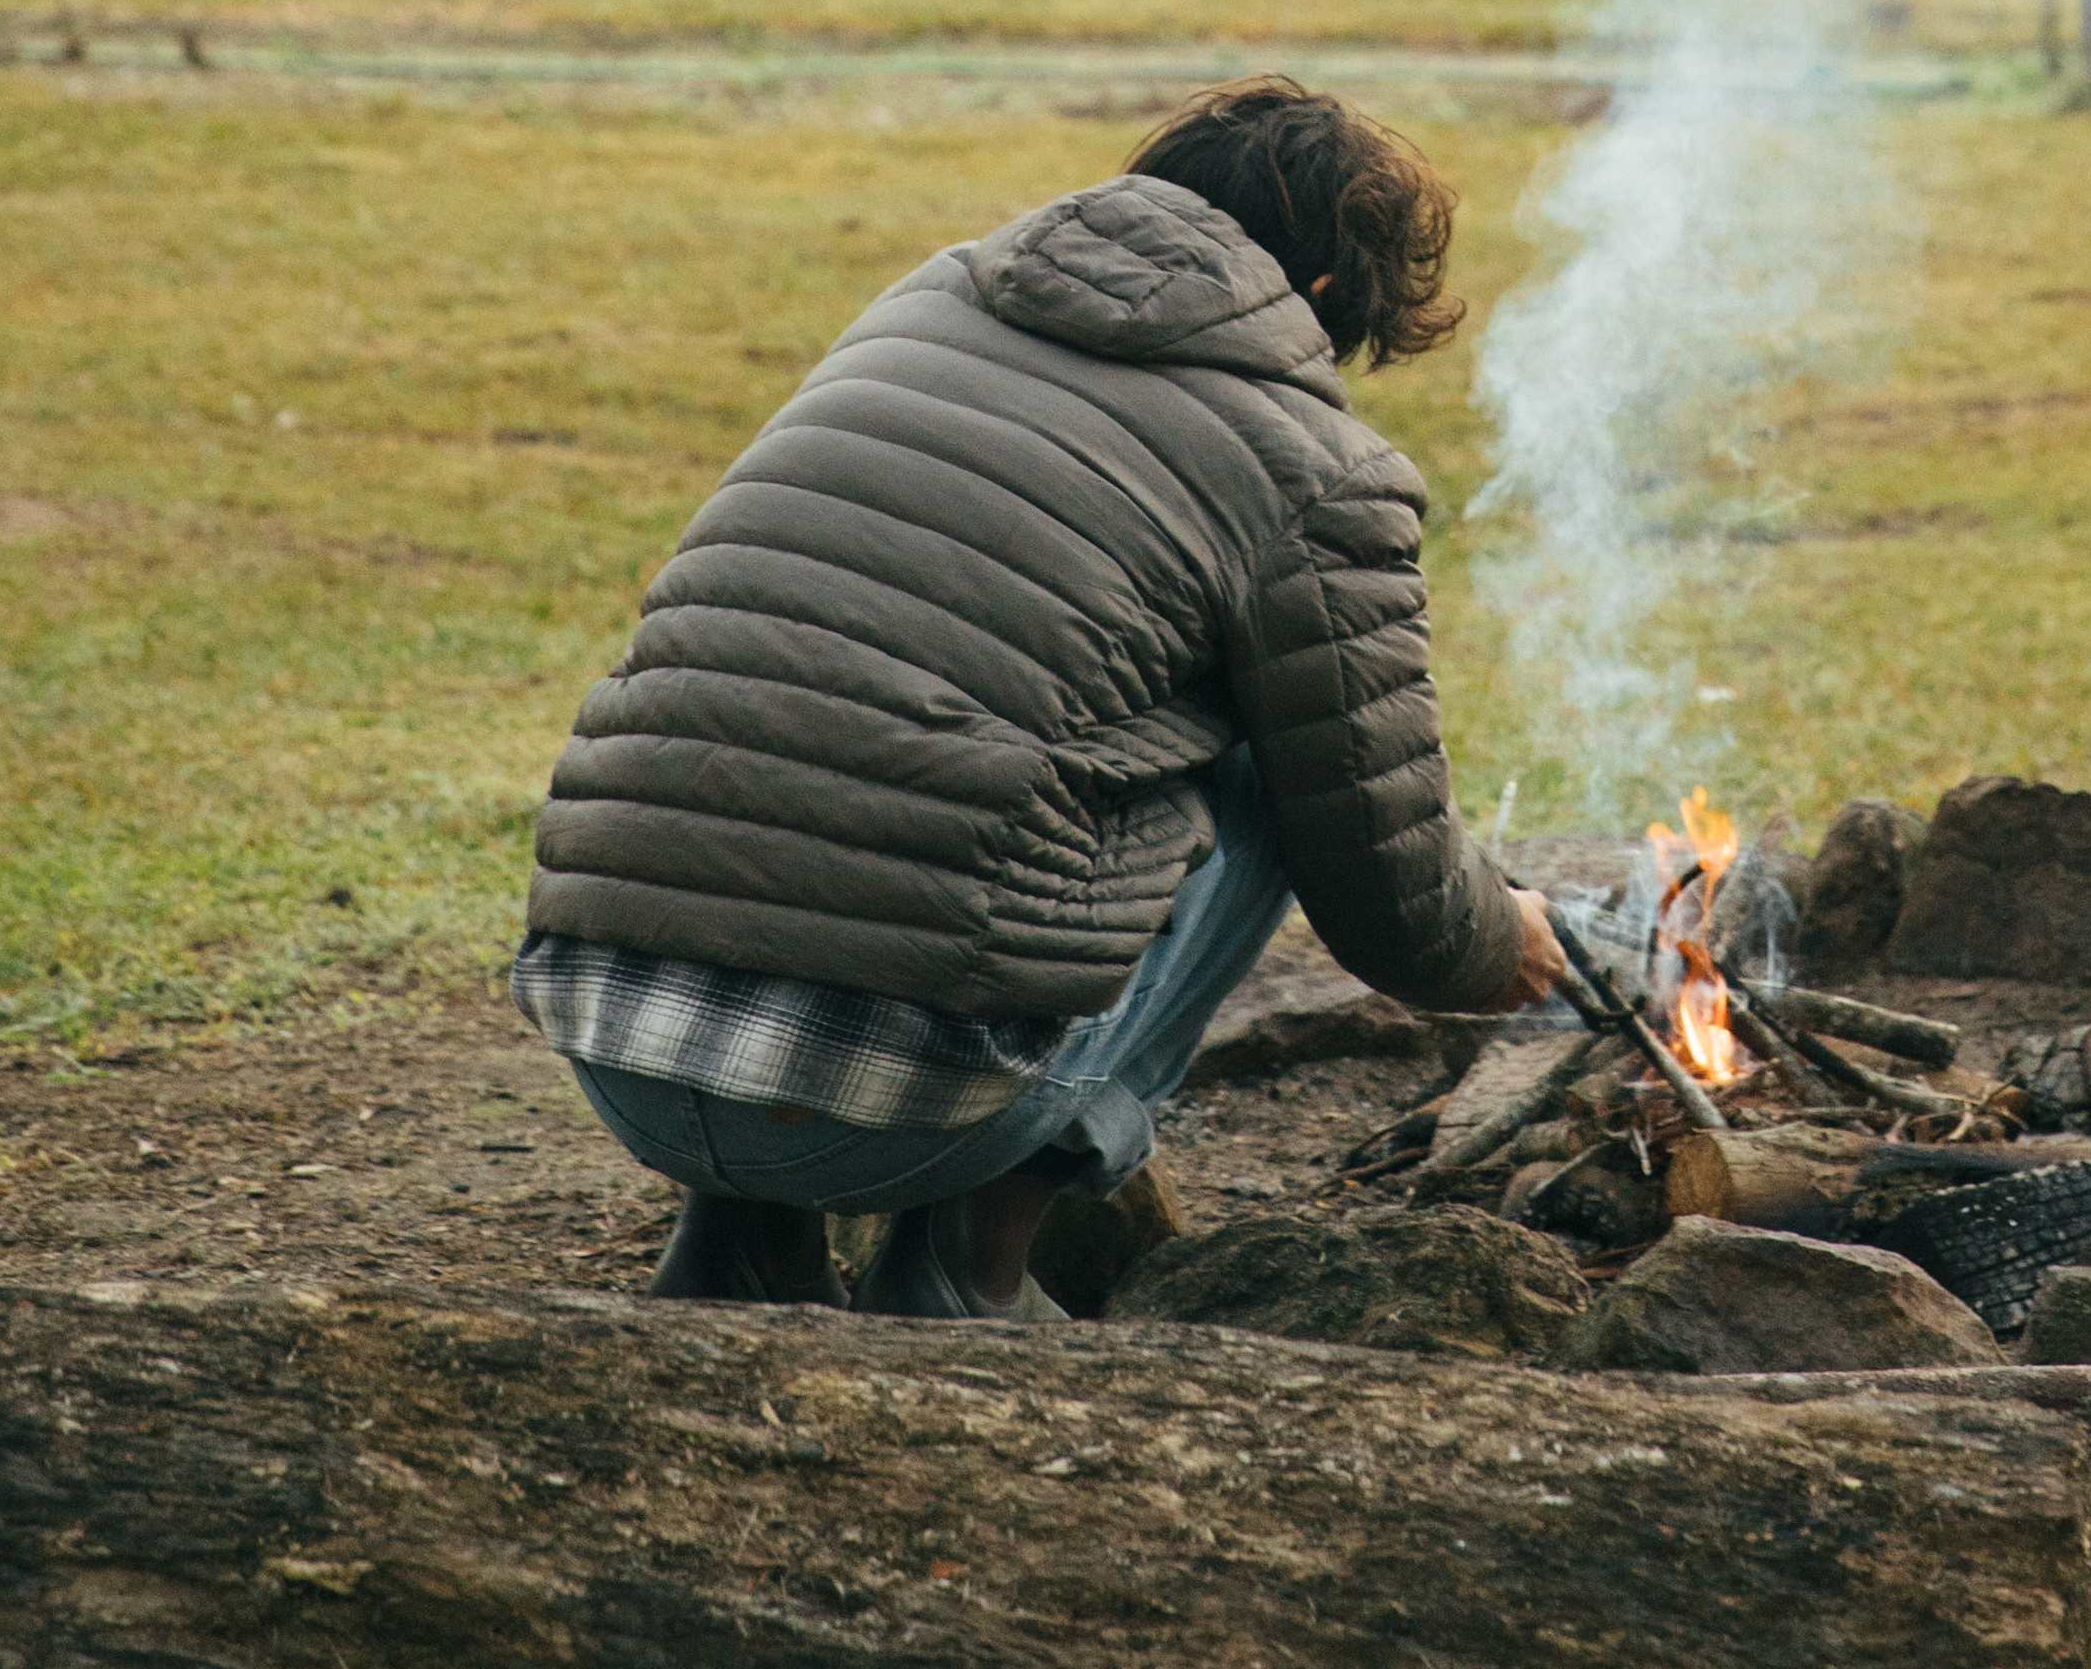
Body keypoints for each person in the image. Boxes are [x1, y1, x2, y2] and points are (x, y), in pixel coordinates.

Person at [511, 76, 1560, 1314]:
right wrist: (1500, 938)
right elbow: (1391, 899)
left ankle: (745, 1246)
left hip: (614, 1034)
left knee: (828, 688)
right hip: (888, 1106)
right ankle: (967, 1265)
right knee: (1273, 767)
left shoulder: (921, 306)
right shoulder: (1317, 469)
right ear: (1327, 290)